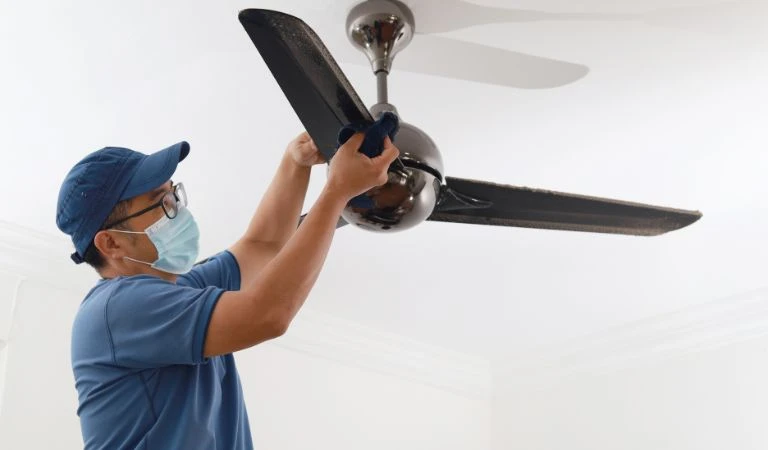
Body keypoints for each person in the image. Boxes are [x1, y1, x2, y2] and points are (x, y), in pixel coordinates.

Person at [55, 131, 400, 450]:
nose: (178, 209)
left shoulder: (177, 292)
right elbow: (267, 314)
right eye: (162, 203)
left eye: (174, 194)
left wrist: (296, 163)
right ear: (112, 243)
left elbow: (263, 245)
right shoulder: (116, 310)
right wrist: (337, 192)